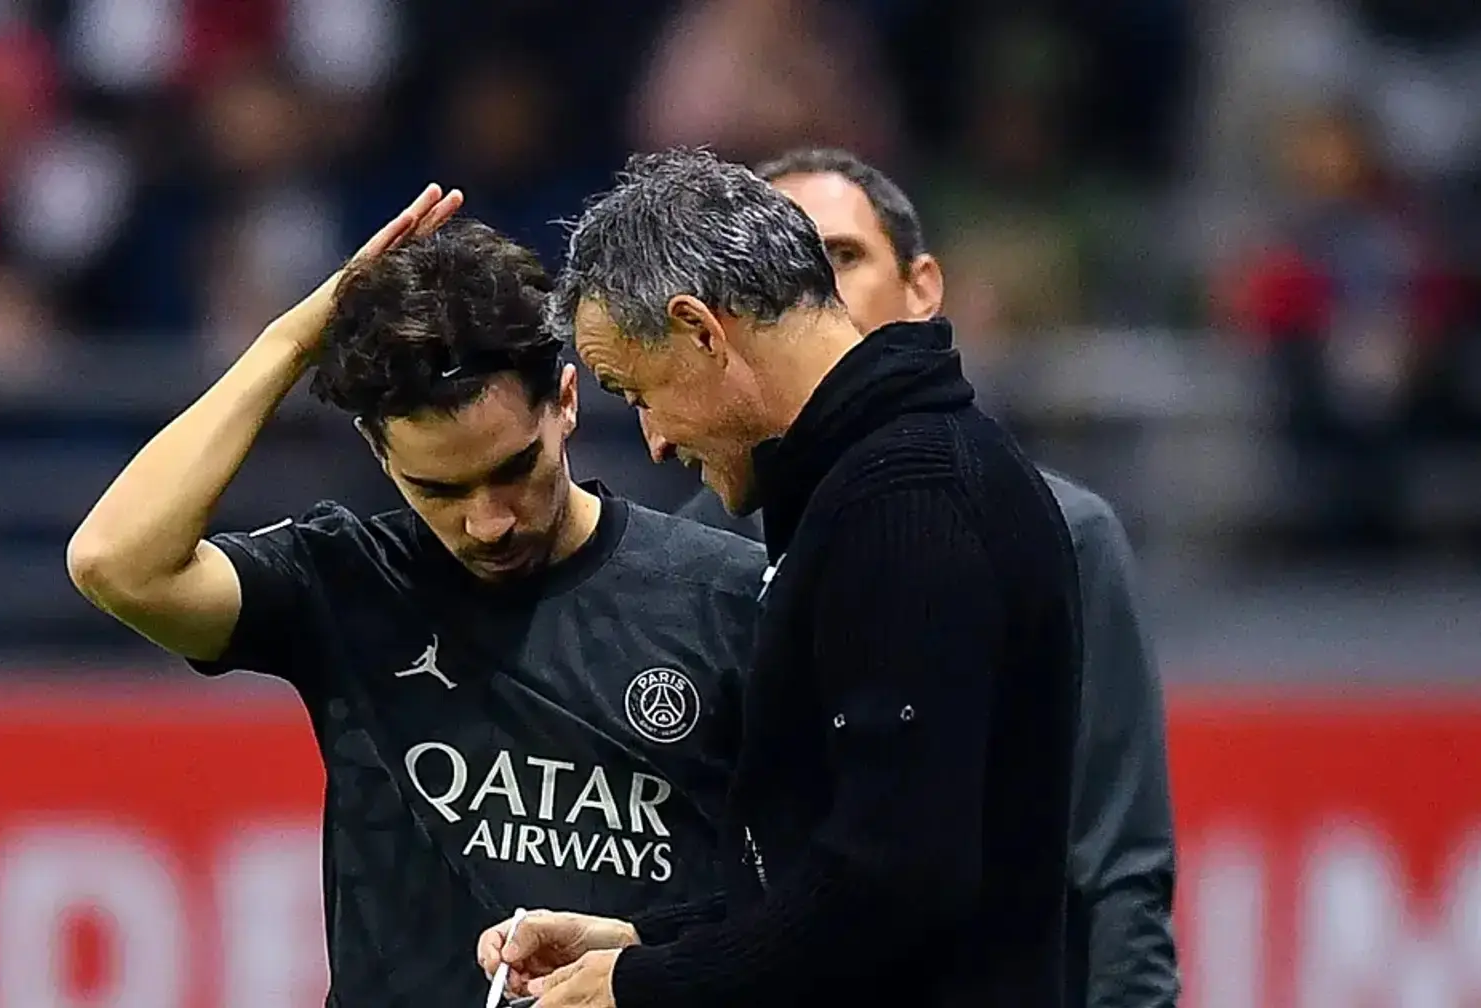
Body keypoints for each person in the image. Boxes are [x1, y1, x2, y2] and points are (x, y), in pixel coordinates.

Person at [66, 187, 768, 1008]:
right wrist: (295, 339)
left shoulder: (728, 595)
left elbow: (803, 906)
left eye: (514, 468)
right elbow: (116, 562)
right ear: (378, 451)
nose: (489, 521)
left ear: (566, 403)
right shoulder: (349, 582)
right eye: (440, 488)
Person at [480, 148, 1084, 1006]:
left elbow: (896, 886)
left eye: (639, 392)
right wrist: (643, 939)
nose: (656, 440)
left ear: (701, 331)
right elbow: (832, 868)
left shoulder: (909, 505)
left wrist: (645, 984)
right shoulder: (883, 482)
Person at [675, 147, 1181, 1007]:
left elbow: (1118, 864)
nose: (812, 291)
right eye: (773, 268)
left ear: (922, 289)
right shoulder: (700, 543)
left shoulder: (1059, 531)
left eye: (839, 257)